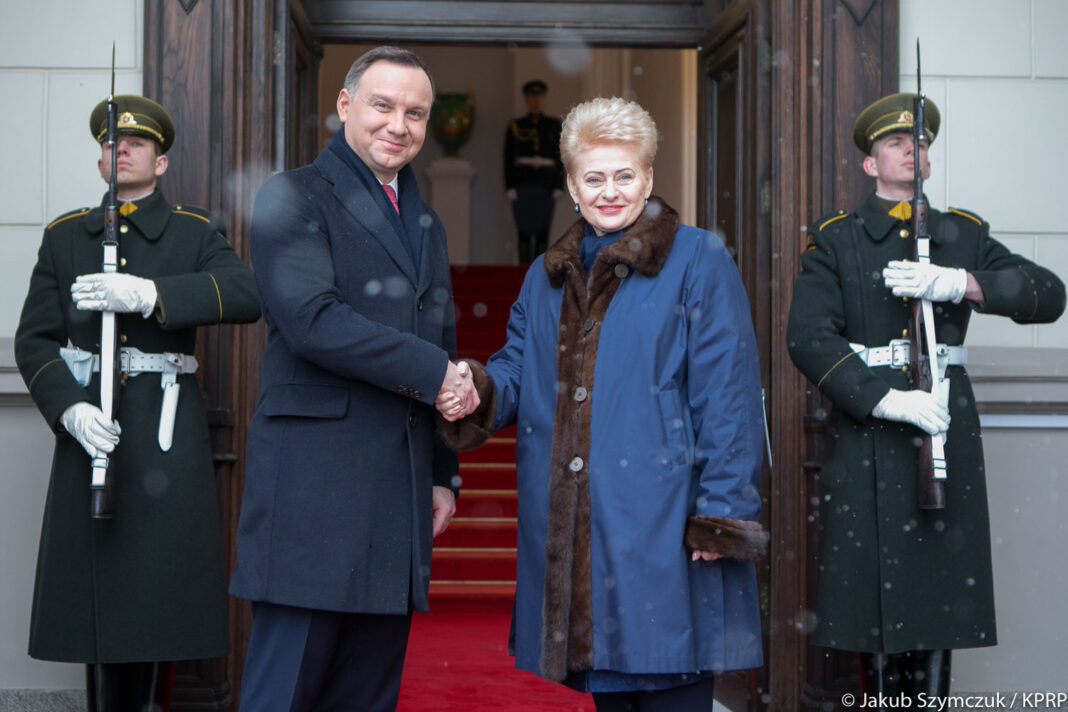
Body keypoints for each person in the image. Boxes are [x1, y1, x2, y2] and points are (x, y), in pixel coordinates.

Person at [438, 97, 767, 712]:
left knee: (672, 680)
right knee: (610, 692)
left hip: (665, 522)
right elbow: (518, 367)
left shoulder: (698, 258)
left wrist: (722, 511)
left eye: (624, 175)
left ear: (648, 178)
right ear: (571, 183)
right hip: (581, 528)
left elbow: (729, 393)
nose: (610, 191)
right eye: (594, 177)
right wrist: (475, 389)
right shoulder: (547, 273)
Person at [786, 92, 1066, 700]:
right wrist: (883, 400)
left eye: (920, 145)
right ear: (870, 164)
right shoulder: (837, 239)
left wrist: (961, 282)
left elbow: (1048, 294)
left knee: (937, 600)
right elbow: (807, 339)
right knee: (874, 613)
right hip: (868, 433)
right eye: (895, 143)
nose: (912, 152)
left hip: (942, 425)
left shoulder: (961, 234)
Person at [229, 46, 479, 711]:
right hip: (316, 492)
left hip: (394, 492)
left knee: (364, 696)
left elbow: (441, 337)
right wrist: (436, 373)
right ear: (345, 107)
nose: (400, 124)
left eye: (416, 112)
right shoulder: (292, 194)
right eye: (383, 105)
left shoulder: (424, 220)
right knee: (286, 694)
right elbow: (313, 319)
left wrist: (440, 471)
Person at [13, 95, 261, 710]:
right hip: (91, 435)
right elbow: (34, 339)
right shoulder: (66, 236)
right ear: (100, 163)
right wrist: (68, 408)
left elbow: (243, 294)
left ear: (162, 160)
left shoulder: (195, 231)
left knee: (159, 594)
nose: (118, 150)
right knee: (96, 595)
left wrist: (150, 293)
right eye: (108, 145)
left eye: (135, 143)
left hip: (162, 438)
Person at [504, 79, 565, 264]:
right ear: (526, 99)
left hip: (546, 183)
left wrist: (558, 184)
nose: (535, 100)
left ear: (543, 98)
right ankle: (522, 273)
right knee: (523, 230)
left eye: (539, 96)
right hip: (523, 183)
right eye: (532, 96)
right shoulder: (516, 125)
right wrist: (510, 185)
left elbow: (560, 156)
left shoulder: (554, 125)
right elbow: (508, 157)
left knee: (542, 231)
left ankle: (539, 270)